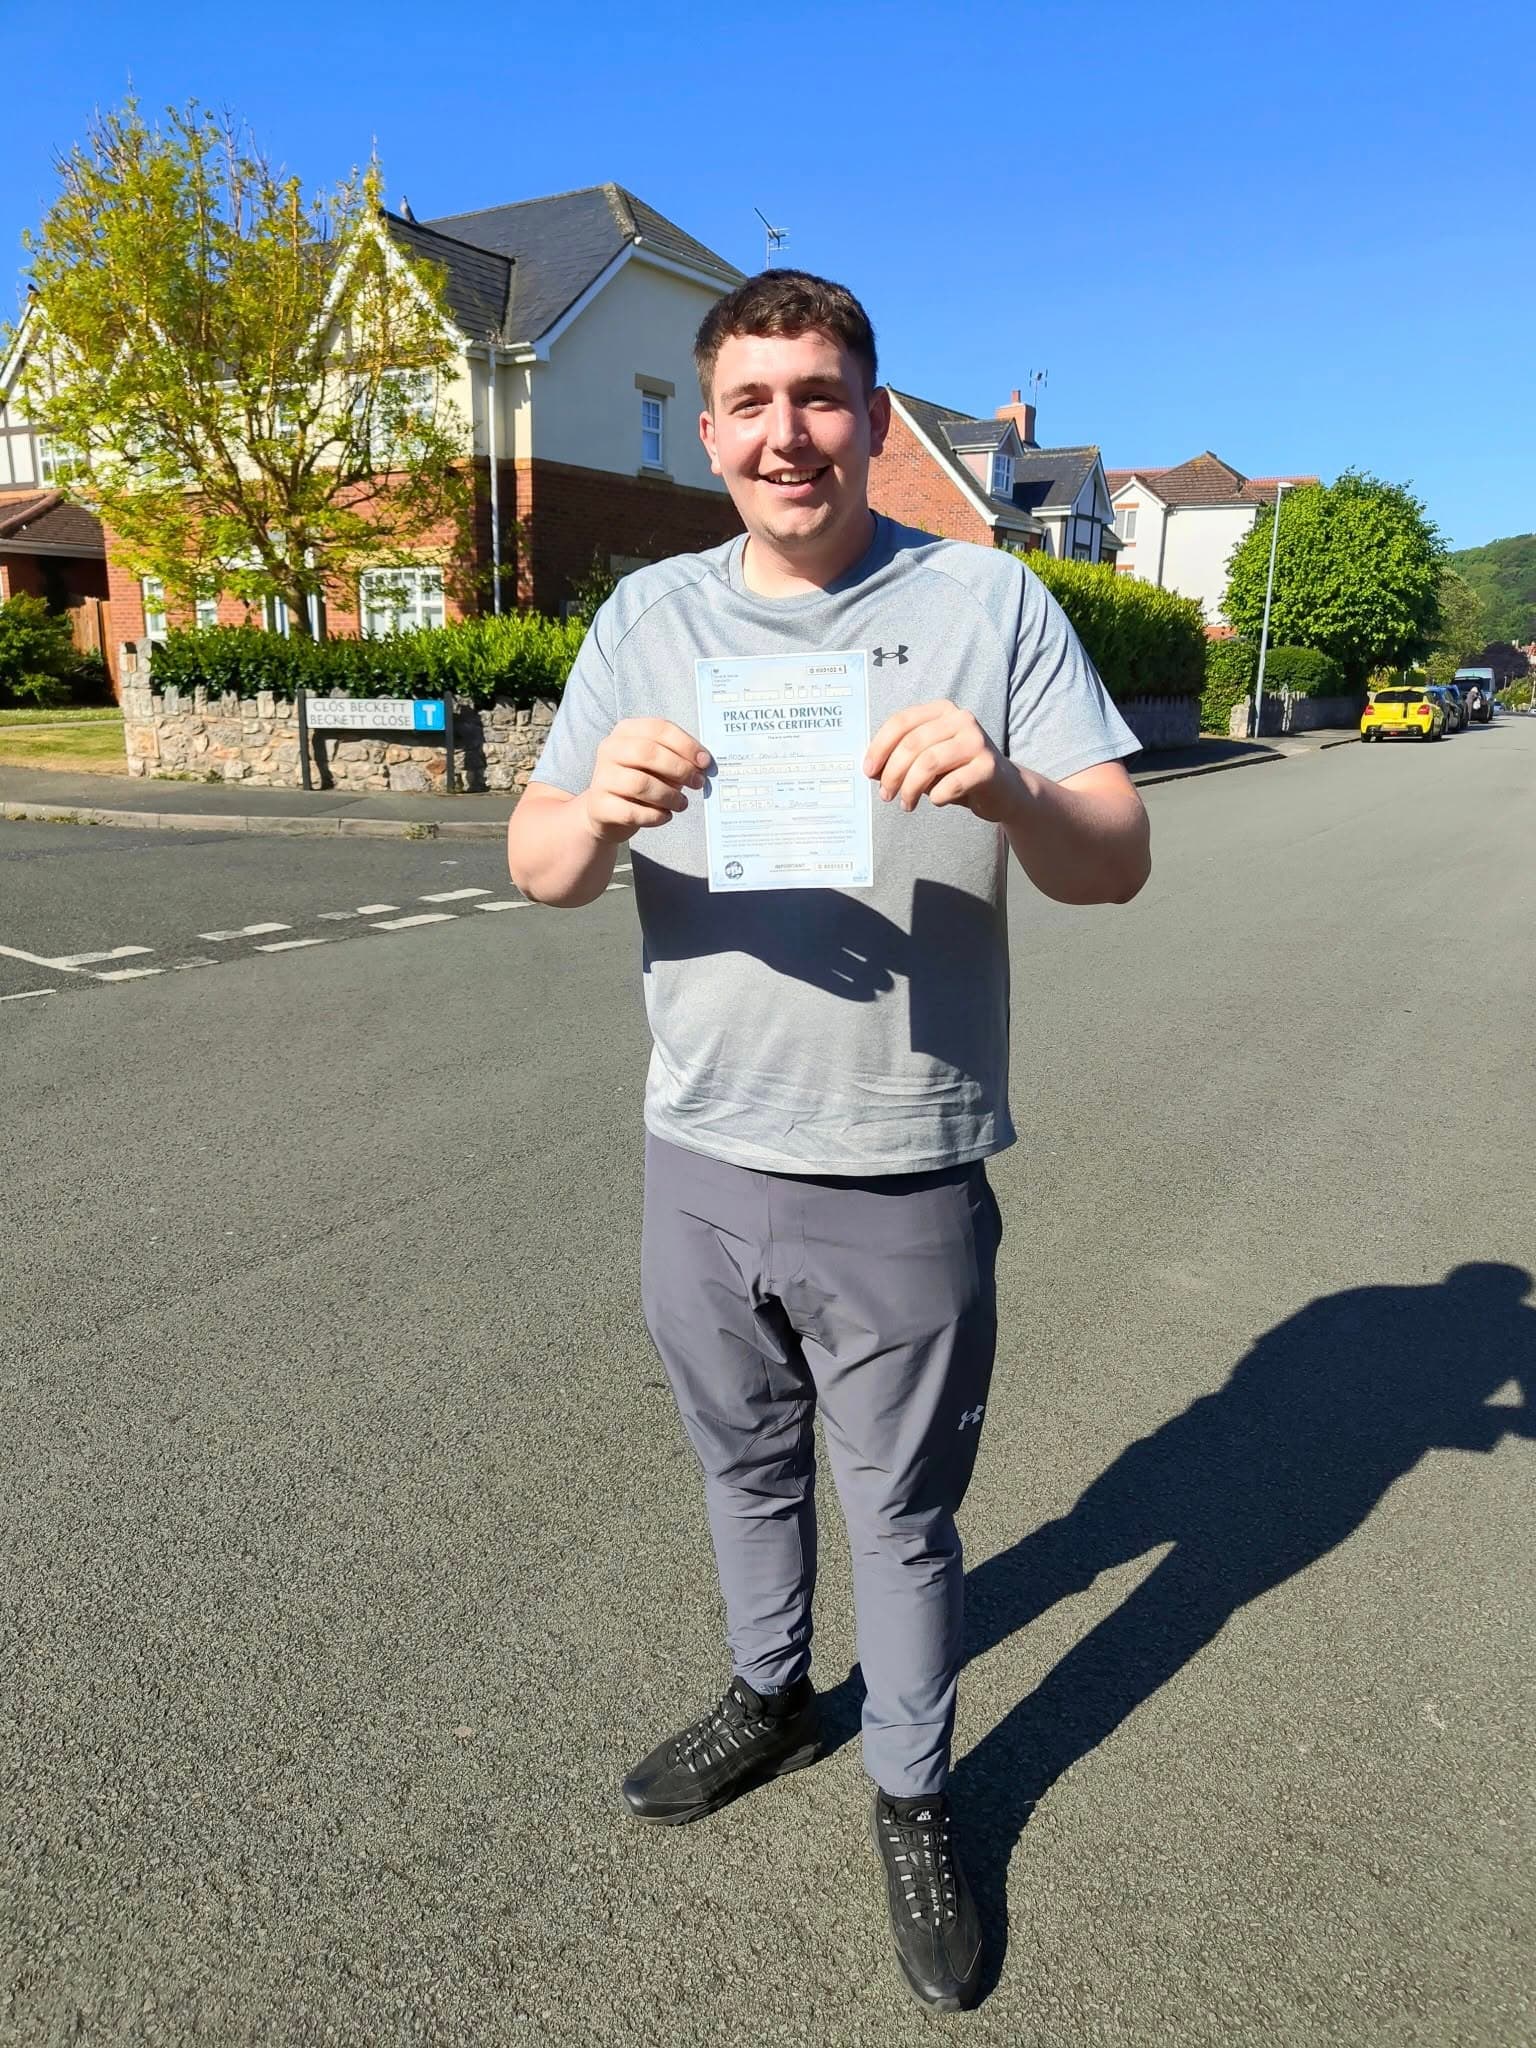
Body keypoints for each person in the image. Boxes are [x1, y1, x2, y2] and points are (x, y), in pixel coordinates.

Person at [505, 270, 1150, 2013]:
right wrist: (595, 809)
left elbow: (1114, 859)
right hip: (699, 1153)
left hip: (904, 1156)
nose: (787, 431)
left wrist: (1009, 787)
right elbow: (541, 864)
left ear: (871, 414)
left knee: (907, 1514)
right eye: (752, 403)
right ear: (711, 432)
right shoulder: (648, 613)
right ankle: (770, 1694)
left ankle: (914, 1791)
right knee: (742, 1464)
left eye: (820, 395)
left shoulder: (989, 601)